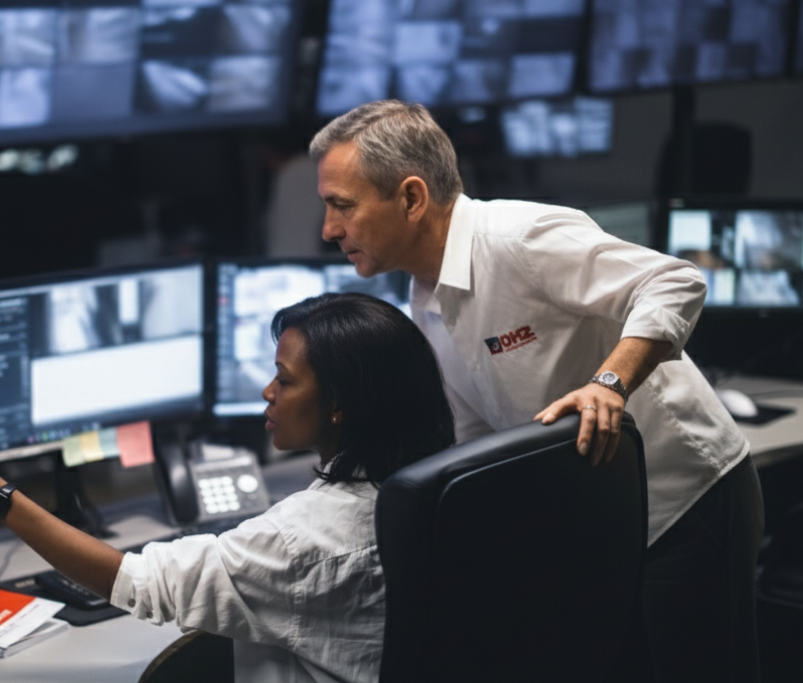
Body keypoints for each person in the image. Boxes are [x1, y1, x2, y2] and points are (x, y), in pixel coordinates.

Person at [308, 99, 765, 683]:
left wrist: (609, 384)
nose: (328, 229)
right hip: (604, 524)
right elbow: (472, 436)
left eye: (341, 205)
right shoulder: (425, 300)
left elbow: (675, 281)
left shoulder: (520, 238)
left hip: (684, 501)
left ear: (412, 198)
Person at [0, 292, 455, 683]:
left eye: (286, 380)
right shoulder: (438, 488)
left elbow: (139, 584)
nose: (268, 392)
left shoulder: (301, 539)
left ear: (342, 406)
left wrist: (0, 499)